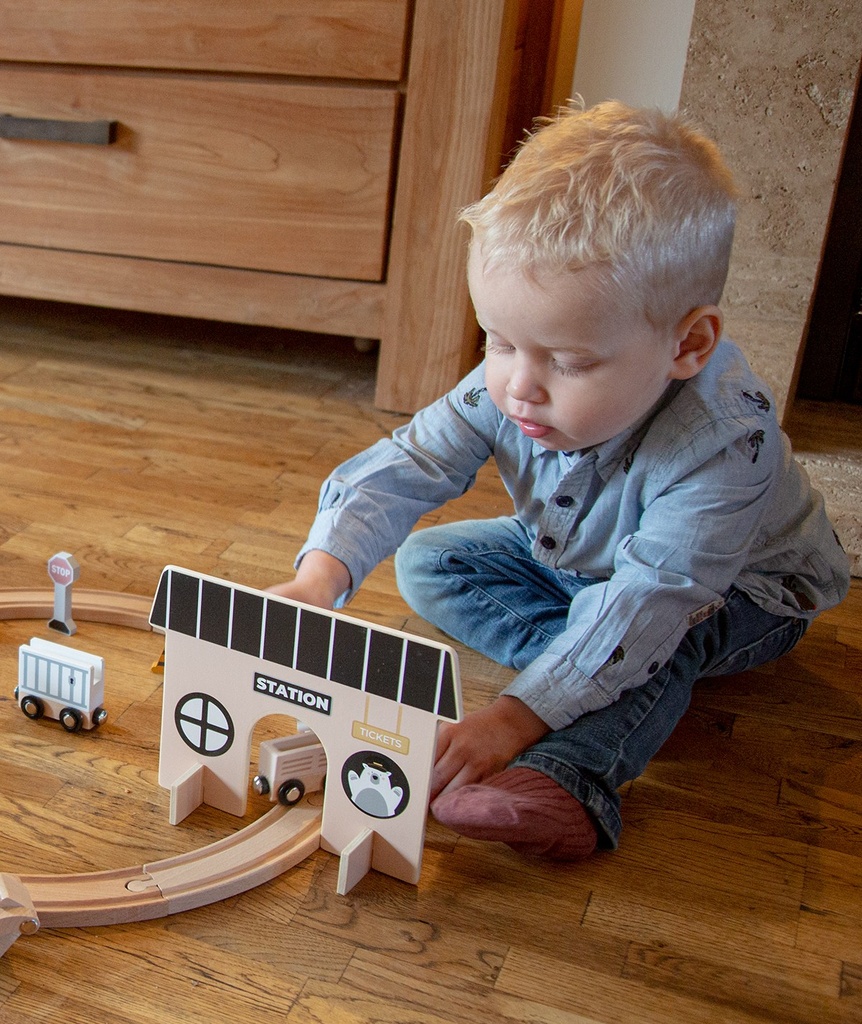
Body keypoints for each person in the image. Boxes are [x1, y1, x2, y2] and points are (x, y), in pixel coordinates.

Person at [269, 100, 850, 861]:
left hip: (735, 592)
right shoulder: (512, 380)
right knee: (431, 563)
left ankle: (572, 775)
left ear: (688, 343)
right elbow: (411, 463)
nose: (518, 386)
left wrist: (511, 720)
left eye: (568, 363)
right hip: (581, 555)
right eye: (499, 341)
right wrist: (320, 579)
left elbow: (652, 599)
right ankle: (591, 673)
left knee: (652, 638)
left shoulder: (723, 447)